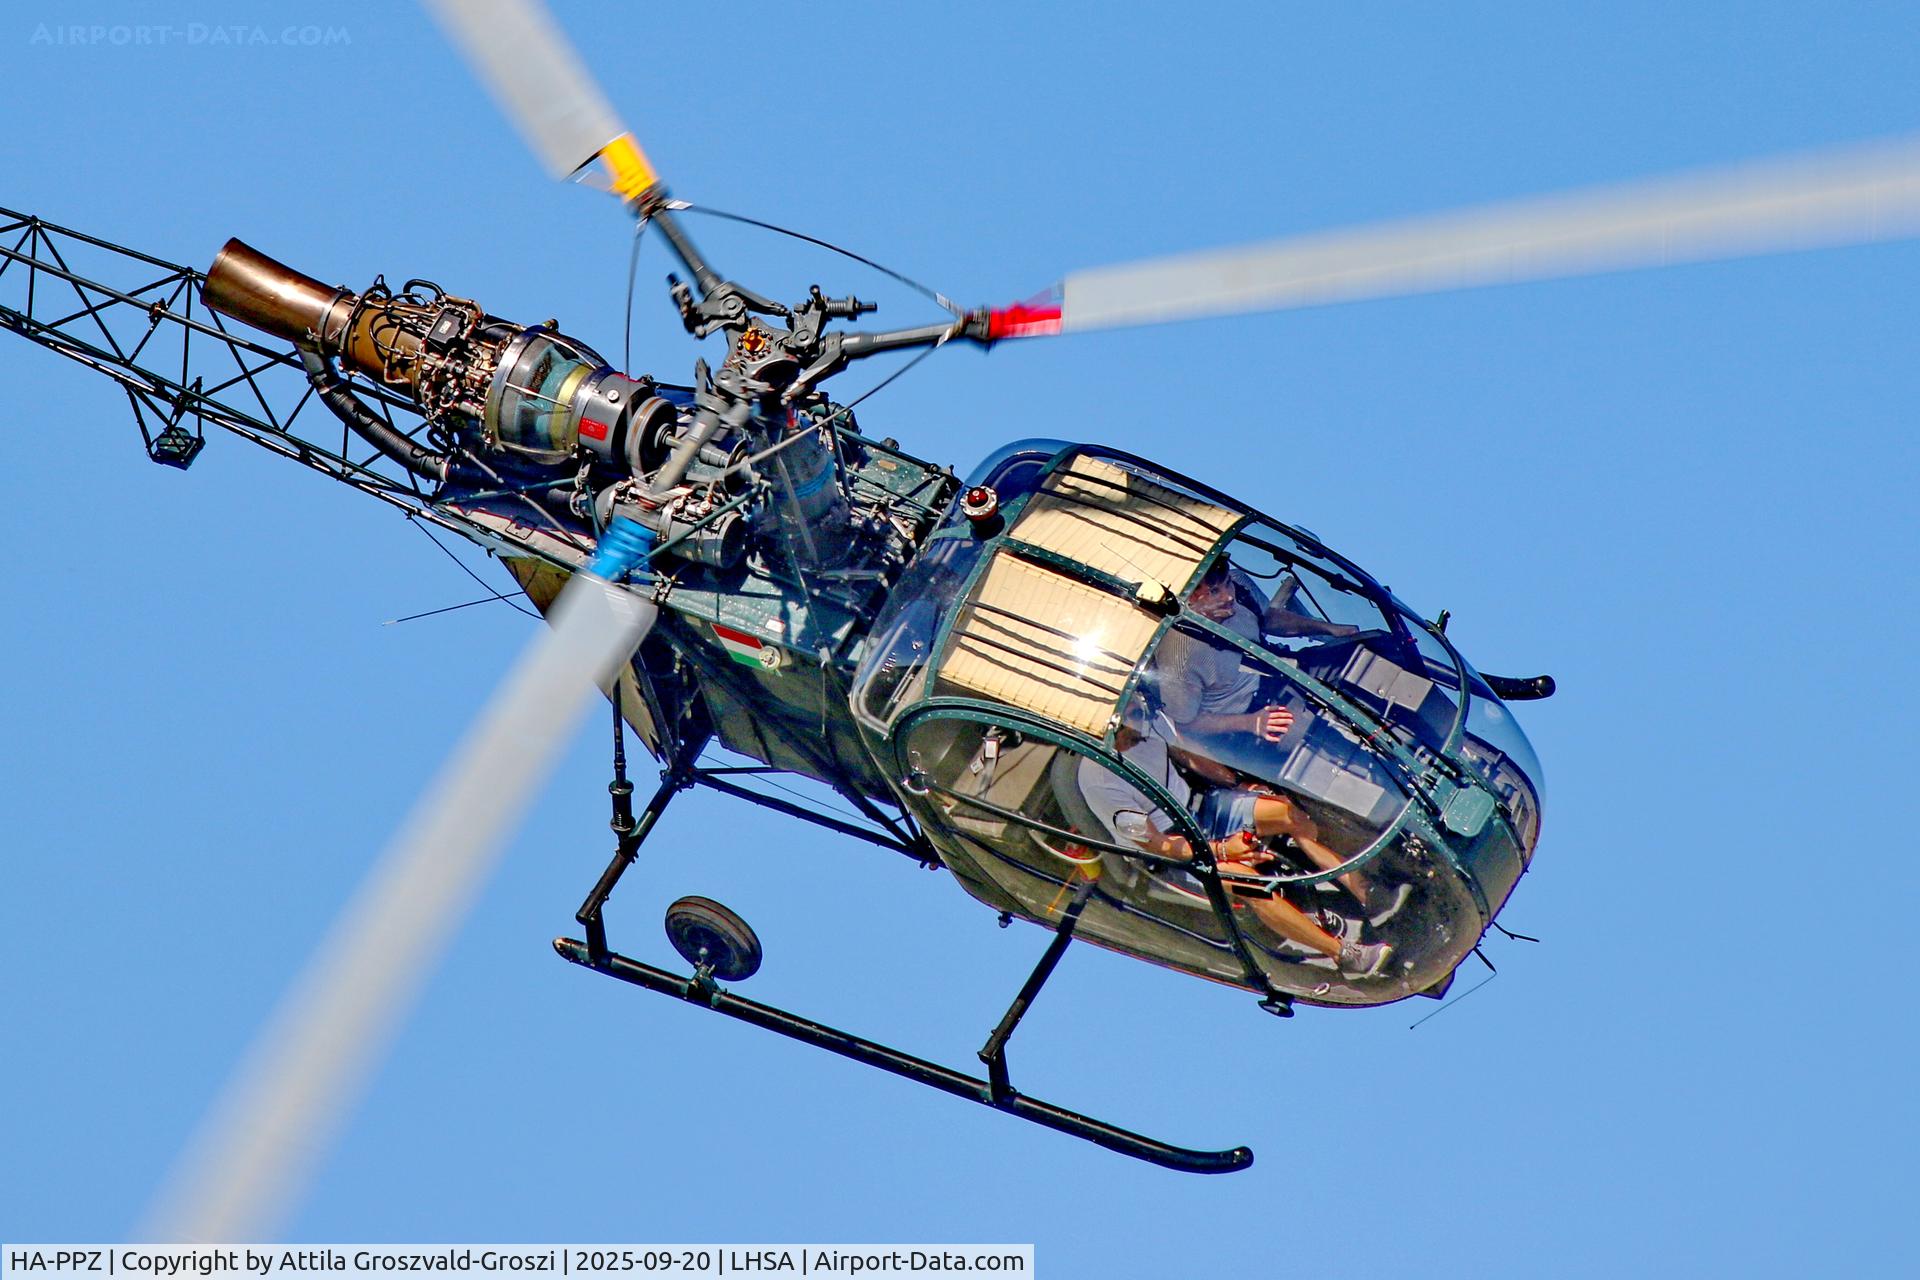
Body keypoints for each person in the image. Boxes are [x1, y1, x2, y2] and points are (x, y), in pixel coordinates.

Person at [1077, 700, 1392, 978]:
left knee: (1288, 813)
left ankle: (1367, 895)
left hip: (1202, 808)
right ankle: (1344, 955)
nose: (1140, 720)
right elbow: (1160, 846)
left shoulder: (1145, 723)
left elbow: (1187, 755)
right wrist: (1224, 849)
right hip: (1174, 853)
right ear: (1107, 729)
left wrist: (1239, 784)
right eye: (1131, 716)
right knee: (1249, 884)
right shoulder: (1100, 781)